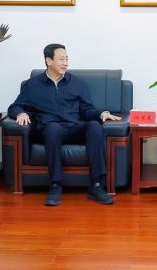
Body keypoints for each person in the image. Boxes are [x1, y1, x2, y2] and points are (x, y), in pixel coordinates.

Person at [8, 44, 120, 207]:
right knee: (53, 129)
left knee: (95, 127)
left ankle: (96, 186)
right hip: (50, 128)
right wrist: (20, 113)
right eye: (61, 59)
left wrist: (100, 115)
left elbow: (87, 109)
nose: (66, 63)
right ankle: (55, 185)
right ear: (49, 61)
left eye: (67, 59)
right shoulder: (33, 85)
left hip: (74, 126)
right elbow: (14, 107)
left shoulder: (77, 83)